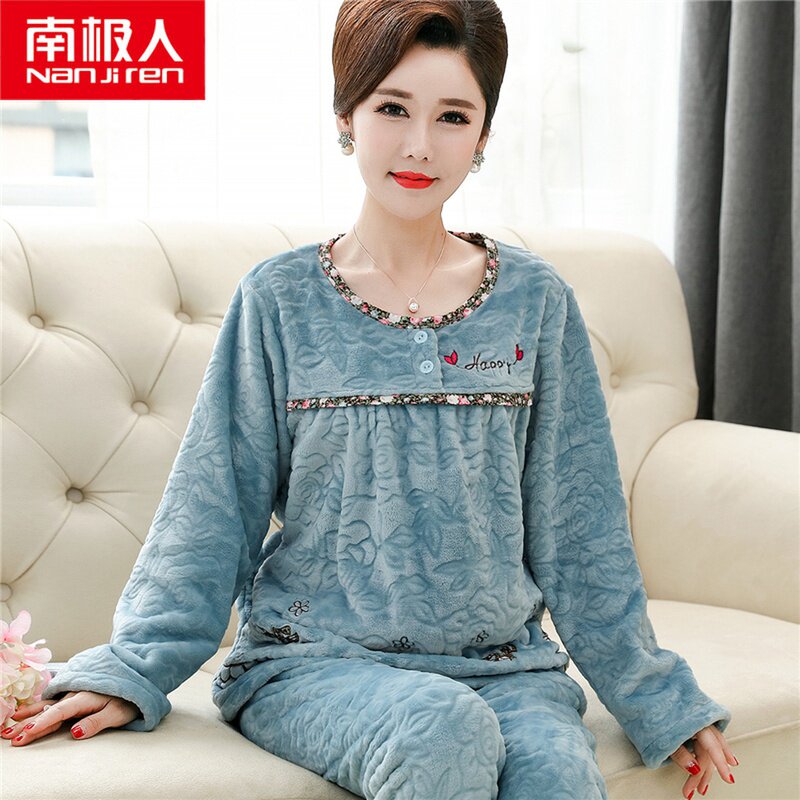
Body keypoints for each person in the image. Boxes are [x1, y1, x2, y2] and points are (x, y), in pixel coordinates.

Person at [3, 2, 739, 798]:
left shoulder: (536, 302)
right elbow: (215, 503)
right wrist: (132, 668)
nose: (420, 145)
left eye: (452, 116)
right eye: (392, 108)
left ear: (483, 136)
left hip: (506, 668)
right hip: (310, 663)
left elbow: (580, 522)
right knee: (439, 726)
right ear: (346, 116)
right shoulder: (279, 299)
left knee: (558, 775)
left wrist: (657, 696)